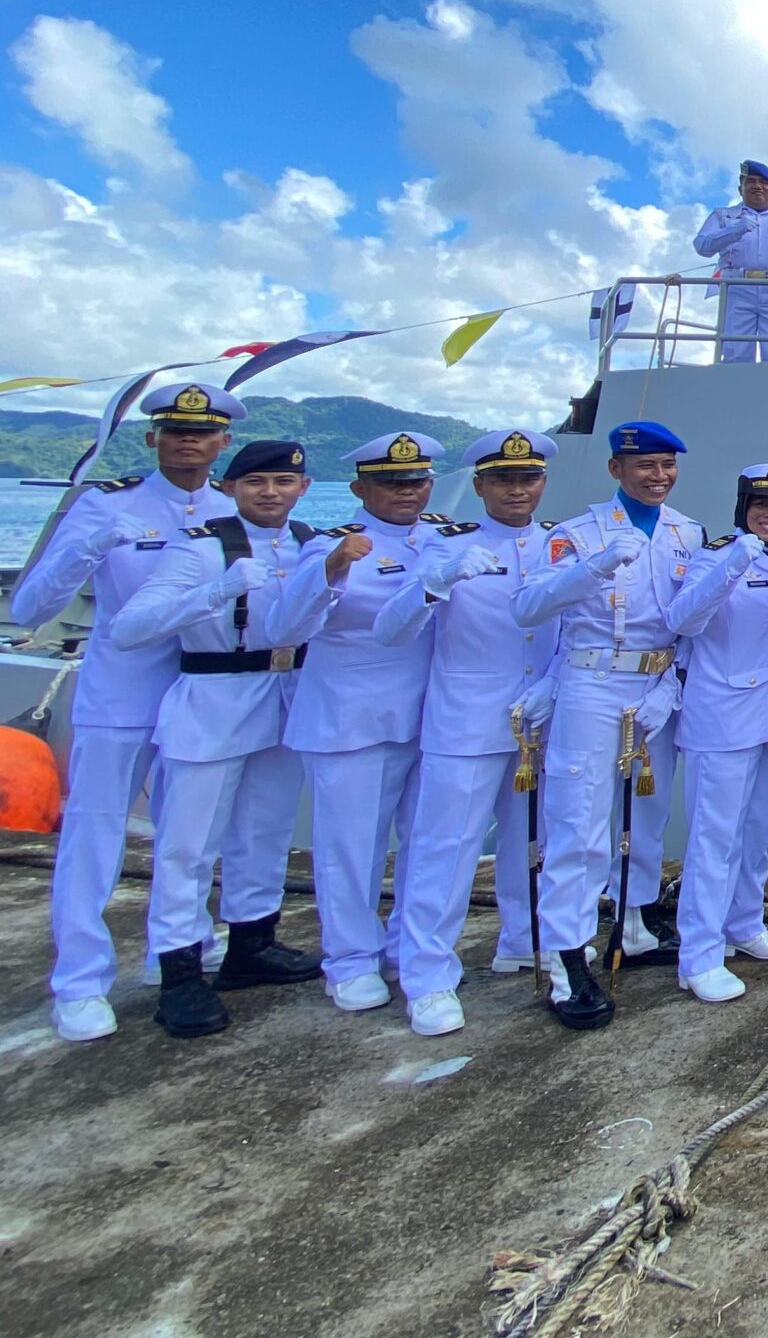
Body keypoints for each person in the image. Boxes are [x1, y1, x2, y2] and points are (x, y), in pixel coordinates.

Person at [13, 380, 246, 1042]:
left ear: (223, 442)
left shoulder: (234, 511)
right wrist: (82, 548)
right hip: (122, 695)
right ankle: (80, 980)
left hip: (199, 695)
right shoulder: (108, 506)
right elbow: (30, 609)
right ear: (154, 439)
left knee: (190, 835)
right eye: (176, 431)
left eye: (203, 433)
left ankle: (173, 953)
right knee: (94, 836)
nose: (189, 442)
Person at [105, 437, 327, 1038]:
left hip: (285, 697)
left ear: (302, 489)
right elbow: (129, 629)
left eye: (283, 482)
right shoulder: (199, 549)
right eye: (256, 483)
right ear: (230, 488)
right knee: (189, 842)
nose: (271, 493)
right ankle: (178, 969)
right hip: (214, 699)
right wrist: (216, 591)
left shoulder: (311, 544)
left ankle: (252, 944)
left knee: (266, 830)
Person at [510, 419, 703, 1029]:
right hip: (593, 682)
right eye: (645, 465)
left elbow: (691, 622)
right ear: (617, 469)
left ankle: (635, 920)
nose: (658, 476)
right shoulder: (576, 534)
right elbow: (528, 607)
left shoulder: (687, 533)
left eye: (667, 465)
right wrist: (588, 570)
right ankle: (567, 955)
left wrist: (670, 686)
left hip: (655, 685)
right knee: (582, 820)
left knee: (648, 814)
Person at [372, 430, 566, 1037]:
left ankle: (519, 939)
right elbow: (391, 629)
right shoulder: (442, 546)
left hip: (542, 717)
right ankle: (426, 975)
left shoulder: (562, 545)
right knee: (445, 848)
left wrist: (555, 682)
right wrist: (437, 581)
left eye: (528, 478)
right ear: (479, 486)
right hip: (467, 718)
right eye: (503, 479)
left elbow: (582, 624)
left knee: (532, 842)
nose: (517, 489)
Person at [272, 431, 450, 1015]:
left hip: (429, 713)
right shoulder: (331, 544)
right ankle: (349, 961)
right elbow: (287, 627)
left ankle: (406, 946)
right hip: (350, 717)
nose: (407, 491)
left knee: (427, 842)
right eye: (390, 482)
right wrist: (328, 570)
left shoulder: (443, 538)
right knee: (351, 848)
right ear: (359, 488)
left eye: (416, 480)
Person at [665, 464, 768, 1004]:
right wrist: (727, 569)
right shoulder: (715, 553)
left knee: (757, 827)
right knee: (714, 836)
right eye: (761, 504)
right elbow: (682, 620)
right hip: (723, 714)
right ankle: (698, 954)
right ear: (742, 506)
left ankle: (744, 924)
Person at [692, 159, 768, 360]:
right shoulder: (724, 216)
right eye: (750, 181)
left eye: (763, 182)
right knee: (735, 350)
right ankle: (734, 391)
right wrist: (734, 230)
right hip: (737, 287)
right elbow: (702, 246)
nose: (757, 186)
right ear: (740, 189)